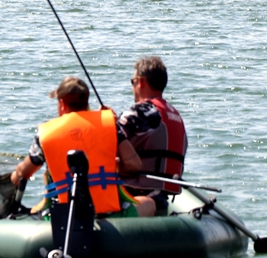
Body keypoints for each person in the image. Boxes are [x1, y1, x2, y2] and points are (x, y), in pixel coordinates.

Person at [10, 76, 142, 216]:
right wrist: (111, 163)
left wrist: (15, 175)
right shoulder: (110, 126)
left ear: (62, 104)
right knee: (149, 203)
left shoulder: (47, 134)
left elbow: (23, 173)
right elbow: (134, 164)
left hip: (62, 217)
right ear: (86, 102)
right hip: (109, 215)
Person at [117, 56, 187, 218]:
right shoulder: (174, 115)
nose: (132, 87)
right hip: (162, 195)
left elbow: (108, 140)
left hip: (138, 192)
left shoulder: (142, 111)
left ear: (141, 81)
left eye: (132, 81)